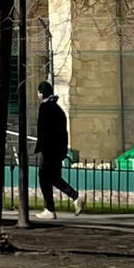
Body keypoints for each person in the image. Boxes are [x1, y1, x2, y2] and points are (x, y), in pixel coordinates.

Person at [33, 81, 81, 220]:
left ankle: (50, 208)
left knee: (43, 177)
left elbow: (43, 130)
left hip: (49, 150)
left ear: (42, 93)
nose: (37, 95)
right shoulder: (58, 109)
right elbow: (63, 132)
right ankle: (74, 197)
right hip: (58, 150)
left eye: (38, 92)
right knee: (54, 178)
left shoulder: (45, 108)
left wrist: (41, 147)